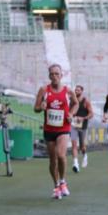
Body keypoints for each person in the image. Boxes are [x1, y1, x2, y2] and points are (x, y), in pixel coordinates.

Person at [34, 64, 78, 200]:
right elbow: (35, 108)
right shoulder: (43, 90)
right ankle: (56, 185)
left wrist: (71, 113)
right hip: (49, 129)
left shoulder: (68, 91)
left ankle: (63, 181)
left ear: (61, 75)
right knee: (52, 160)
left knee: (61, 155)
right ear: (49, 76)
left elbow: (76, 103)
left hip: (63, 128)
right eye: (52, 74)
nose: (54, 76)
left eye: (57, 74)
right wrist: (40, 107)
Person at [70, 85, 94, 172]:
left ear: (82, 91)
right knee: (74, 144)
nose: (76, 91)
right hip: (73, 125)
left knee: (82, 146)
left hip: (83, 126)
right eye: (75, 90)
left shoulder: (85, 101)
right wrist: (70, 116)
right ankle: (75, 163)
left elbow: (91, 114)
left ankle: (85, 155)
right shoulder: (72, 101)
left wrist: (83, 118)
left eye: (78, 90)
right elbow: (70, 112)